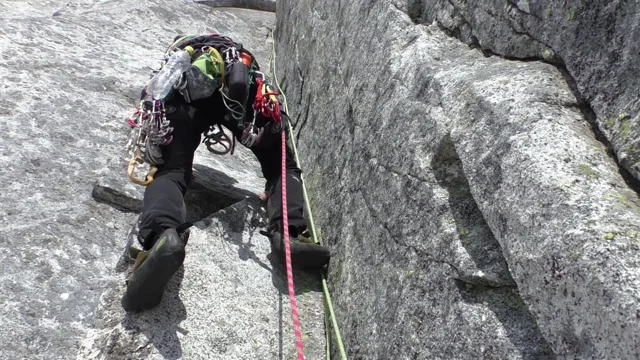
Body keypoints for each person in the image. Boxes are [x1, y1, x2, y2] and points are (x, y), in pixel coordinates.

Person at [121, 34, 331, 313]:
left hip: (180, 97)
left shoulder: (181, 58)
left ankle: (161, 238)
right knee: (281, 165)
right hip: (240, 98)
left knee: (170, 171)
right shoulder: (241, 60)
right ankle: (289, 234)